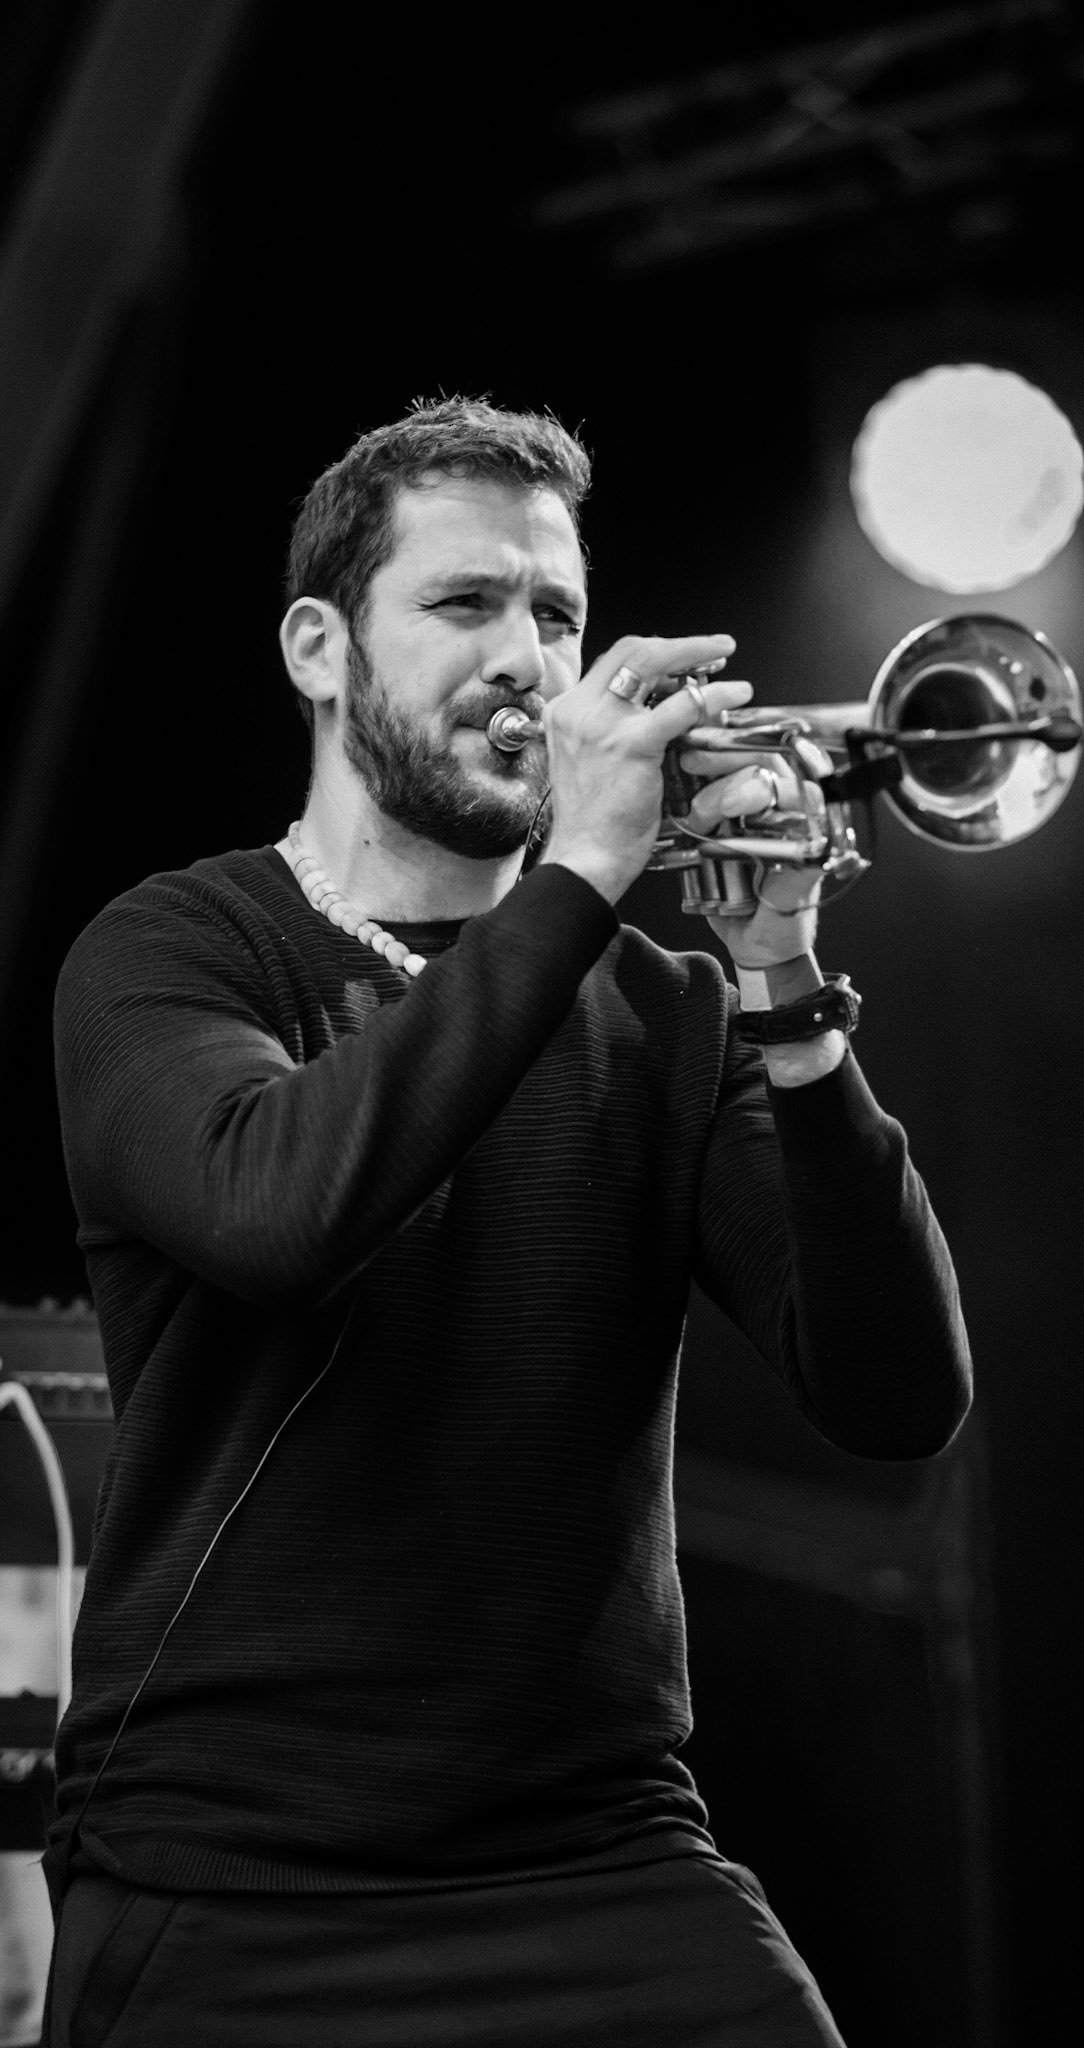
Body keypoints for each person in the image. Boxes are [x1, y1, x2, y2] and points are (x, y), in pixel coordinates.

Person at [43, 396, 971, 2046]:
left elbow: (898, 1397)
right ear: (319, 650)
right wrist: (586, 871)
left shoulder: (669, 1010)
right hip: (233, 1874)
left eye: (556, 613)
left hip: (593, 1854)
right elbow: (283, 1207)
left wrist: (786, 989)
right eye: (464, 605)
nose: (528, 657)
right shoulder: (169, 952)